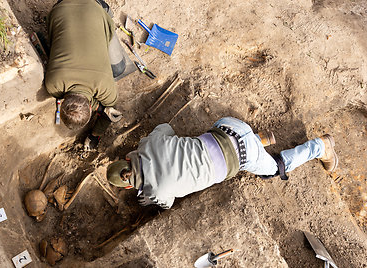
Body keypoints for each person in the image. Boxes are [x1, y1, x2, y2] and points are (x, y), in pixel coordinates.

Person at [106, 117, 338, 209]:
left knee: (273, 170)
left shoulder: (155, 191)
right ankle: (257, 139)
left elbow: (166, 204)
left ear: (129, 186)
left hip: (240, 156)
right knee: (209, 141)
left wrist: (147, 198)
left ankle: (320, 147)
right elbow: (165, 128)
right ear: (127, 157)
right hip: (227, 126)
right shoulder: (149, 144)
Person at [45, 0, 122, 149]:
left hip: (89, 8)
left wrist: (101, 111)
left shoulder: (105, 87)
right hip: (60, 8)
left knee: (118, 68)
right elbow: (110, 110)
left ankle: (103, 9)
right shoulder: (53, 85)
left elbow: (110, 111)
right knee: (118, 68)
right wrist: (100, 114)